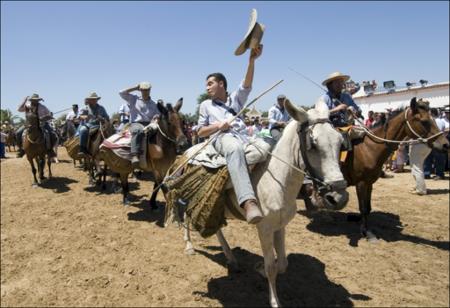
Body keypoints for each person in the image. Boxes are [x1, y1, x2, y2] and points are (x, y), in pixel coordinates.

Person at [196, 44, 263, 224]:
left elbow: (246, 84)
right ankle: (248, 202)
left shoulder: (235, 99)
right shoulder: (205, 105)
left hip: (244, 137)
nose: (207, 88)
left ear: (221, 84)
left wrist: (251, 61)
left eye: (210, 83)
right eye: (206, 85)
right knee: (233, 148)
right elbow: (201, 131)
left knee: (266, 146)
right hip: (221, 139)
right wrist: (219, 125)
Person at [119, 82, 160, 168]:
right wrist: (134, 87)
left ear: (150, 90)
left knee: (160, 133)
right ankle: (134, 155)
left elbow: (157, 115)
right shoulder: (133, 98)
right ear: (140, 90)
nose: (145, 92)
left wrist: (156, 120)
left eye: (147, 90)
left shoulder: (154, 103)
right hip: (136, 123)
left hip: (149, 123)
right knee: (138, 130)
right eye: (143, 90)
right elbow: (121, 93)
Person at [15, 94, 57, 158]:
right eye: (33, 100)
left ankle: (50, 150)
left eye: (36, 100)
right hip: (29, 124)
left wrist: (43, 118)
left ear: (38, 101)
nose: (35, 101)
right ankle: (21, 149)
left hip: (42, 124)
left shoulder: (43, 107)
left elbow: (50, 116)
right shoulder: (27, 106)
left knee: (52, 134)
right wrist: (24, 101)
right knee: (18, 133)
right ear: (31, 100)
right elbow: (19, 109)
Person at [78, 92, 110, 156]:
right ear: (89, 100)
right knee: (83, 130)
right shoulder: (85, 108)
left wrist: (102, 118)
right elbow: (79, 117)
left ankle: (110, 148)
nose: (94, 100)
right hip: (89, 125)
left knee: (111, 131)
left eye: (95, 99)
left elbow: (107, 117)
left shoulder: (101, 108)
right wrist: (86, 117)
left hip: (100, 125)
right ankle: (82, 149)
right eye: (92, 99)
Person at [424, 108, 446, 180]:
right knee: (439, 159)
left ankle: (427, 174)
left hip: (431, 142)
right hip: (439, 142)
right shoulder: (442, 121)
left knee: (428, 158)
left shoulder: (431, 121)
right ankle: (439, 174)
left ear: (432, 113)